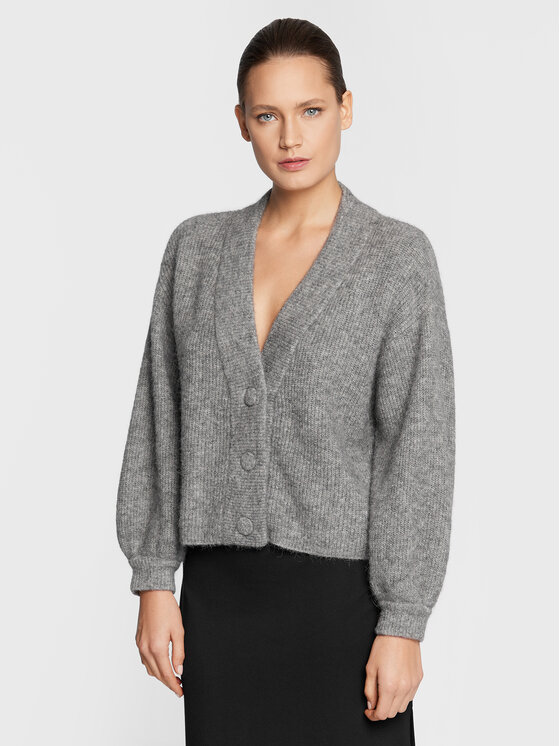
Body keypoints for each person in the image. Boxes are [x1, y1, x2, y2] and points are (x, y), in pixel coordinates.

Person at [116, 17, 455, 746]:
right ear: (241, 122)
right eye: (268, 115)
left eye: (312, 110)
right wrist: (153, 577)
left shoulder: (396, 259)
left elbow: (418, 448)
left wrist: (404, 621)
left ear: (346, 109)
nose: (291, 137)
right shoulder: (196, 251)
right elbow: (160, 417)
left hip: (343, 607)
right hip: (219, 605)